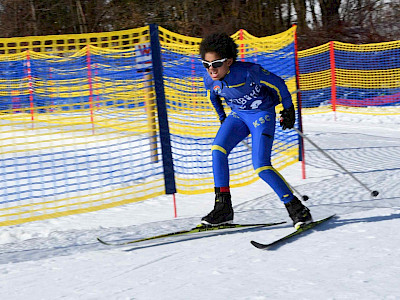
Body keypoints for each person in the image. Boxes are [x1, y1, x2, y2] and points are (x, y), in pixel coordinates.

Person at [199, 32, 312, 229]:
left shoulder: (249, 72)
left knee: (260, 165)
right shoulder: (210, 79)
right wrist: (222, 118)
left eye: (216, 64)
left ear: (229, 62)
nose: (211, 69)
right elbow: (213, 96)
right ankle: (223, 207)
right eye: (206, 64)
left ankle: (296, 208)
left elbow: (279, 85)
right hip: (238, 116)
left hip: (261, 114)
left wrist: (289, 109)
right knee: (217, 149)